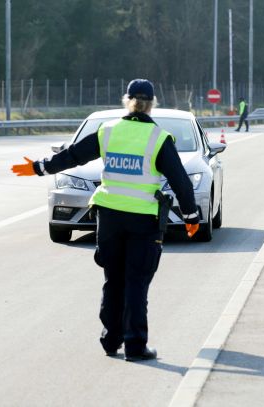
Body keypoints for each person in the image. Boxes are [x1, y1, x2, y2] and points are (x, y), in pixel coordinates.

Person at [11, 79, 200, 360]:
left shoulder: (108, 131)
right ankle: (135, 346)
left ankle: (111, 340)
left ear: (127, 101)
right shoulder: (158, 139)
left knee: (113, 280)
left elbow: (74, 155)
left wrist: (40, 168)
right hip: (142, 221)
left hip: (109, 218)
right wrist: (191, 216)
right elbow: (181, 182)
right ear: (152, 104)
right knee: (136, 282)